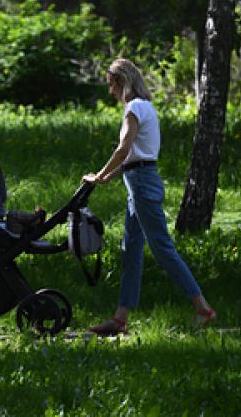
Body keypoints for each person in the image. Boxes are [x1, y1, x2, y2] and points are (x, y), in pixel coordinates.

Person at [82, 58, 216, 335]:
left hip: (142, 185)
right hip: (139, 181)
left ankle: (203, 309)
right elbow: (134, 157)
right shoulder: (147, 108)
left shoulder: (133, 108)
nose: (110, 91)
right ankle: (120, 319)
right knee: (130, 251)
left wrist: (98, 174)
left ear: (121, 82)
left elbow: (123, 148)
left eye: (111, 85)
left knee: (162, 249)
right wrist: (108, 177)